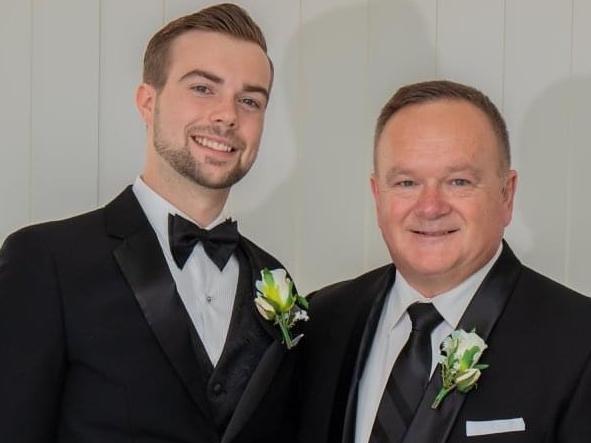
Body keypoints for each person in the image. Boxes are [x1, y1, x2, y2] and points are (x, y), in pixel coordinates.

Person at [0, 4, 303, 443]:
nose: (227, 115)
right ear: (148, 101)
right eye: (203, 88)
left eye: (250, 100)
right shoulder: (46, 261)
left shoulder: (277, 282)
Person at [299, 80, 591, 443]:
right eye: (406, 183)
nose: (430, 207)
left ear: (506, 194)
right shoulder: (321, 320)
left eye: (458, 181)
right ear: (378, 196)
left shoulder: (579, 341)